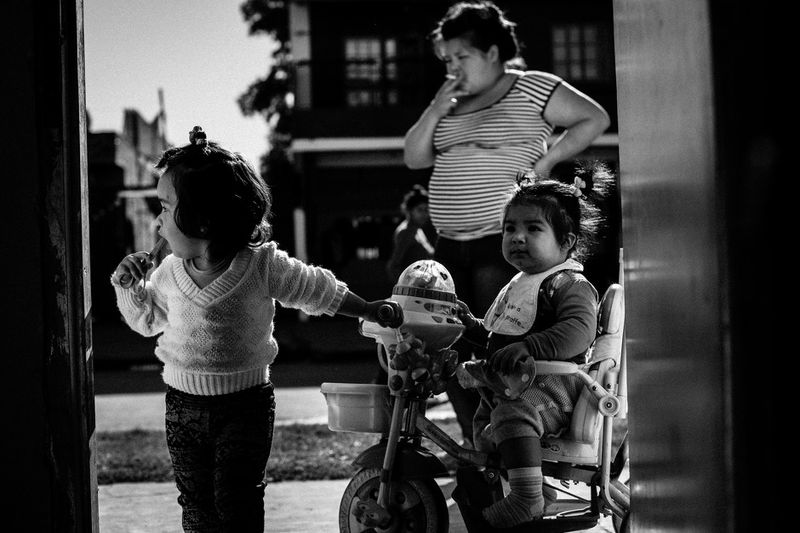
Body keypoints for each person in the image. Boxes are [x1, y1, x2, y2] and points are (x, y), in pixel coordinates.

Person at [110, 126, 398, 532]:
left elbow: (315, 287)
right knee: (196, 504)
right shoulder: (169, 273)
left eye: (163, 206)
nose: (157, 223)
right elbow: (146, 321)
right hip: (182, 409)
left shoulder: (262, 266)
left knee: (238, 500)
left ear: (205, 220)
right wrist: (129, 287)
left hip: (245, 407)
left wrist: (366, 308)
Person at [403, 0, 611, 445]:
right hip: (448, 245)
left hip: (498, 245)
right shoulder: (450, 102)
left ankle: (511, 436)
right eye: (447, 59)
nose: (453, 67)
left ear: (493, 52)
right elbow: (414, 156)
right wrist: (438, 106)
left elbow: (594, 117)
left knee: (498, 342)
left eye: (462, 57)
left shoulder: (533, 87)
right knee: (449, 346)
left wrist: (548, 159)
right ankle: (477, 438)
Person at [452, 162, 612, 528]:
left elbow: (579, 330)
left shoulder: (567, 283)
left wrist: (532, 346)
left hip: (553, 391)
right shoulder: (523, 282)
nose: (517, 237)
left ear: (567, 242)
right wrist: (468, 325)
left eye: (533, 228)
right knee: (487, 429)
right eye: (510, 228)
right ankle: (536, 487)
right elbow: (501, 338)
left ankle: (526, 499)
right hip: (516, 388)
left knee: (510, 416)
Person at [385, 184, 436, 283]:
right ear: (410, 211)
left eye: (426, 210)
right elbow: (393, 266)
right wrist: (407, 287)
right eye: (420, 210)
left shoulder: (418, 230)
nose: (424, 214)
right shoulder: (406, 232)